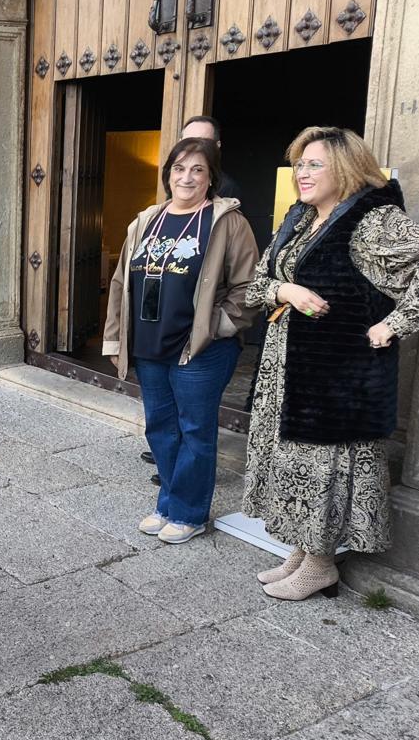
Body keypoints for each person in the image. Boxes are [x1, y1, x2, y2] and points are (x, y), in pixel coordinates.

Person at [242, 127, 419, 601]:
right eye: (300, 163)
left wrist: (397, 323)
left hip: (336, 377)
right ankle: (303, 551)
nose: (302, 173)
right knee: (293, 463)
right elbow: (258, 284)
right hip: (287, 367)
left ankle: (321, 565)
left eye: (314, 164)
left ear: (344, 168)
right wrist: (288, 290)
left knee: (324, 466)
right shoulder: (299, 220)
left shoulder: (373, 220)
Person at [103, 137, 259, 544]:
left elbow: (248, 288)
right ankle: (168, 502)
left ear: (211, 179)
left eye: (198, 170)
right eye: (179, 168)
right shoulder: (147, 219)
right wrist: (118, 337)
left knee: (194, 429)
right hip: (150, 345)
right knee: (160, 427)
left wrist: (217, 326)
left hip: (200, 349)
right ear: (168, 174)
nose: (186, 177)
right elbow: (122, 281)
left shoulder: (226, 222)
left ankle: (190, 513)